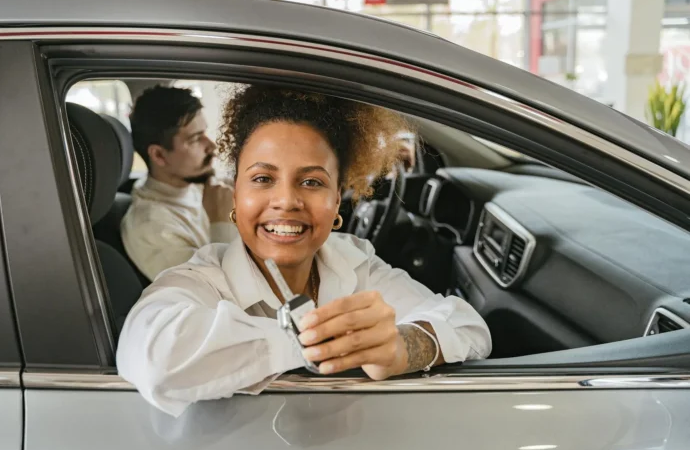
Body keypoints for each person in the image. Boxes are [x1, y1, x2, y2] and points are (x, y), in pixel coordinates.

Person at [117, 86, 491, 417]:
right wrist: (320, 346)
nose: (285, 201)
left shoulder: (352, 259)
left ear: (337, 198)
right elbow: (153, 355)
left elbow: (470, 327)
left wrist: (403, 346)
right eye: (263, 179)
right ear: (236, 194)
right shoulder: (201, 278)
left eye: (311, 182)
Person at [121, 86, 237, 281]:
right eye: (195, 139)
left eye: (205, 132)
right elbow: (215, 290)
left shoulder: (198, 183)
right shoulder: (150, 228)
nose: (211, 146)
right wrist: (222, 223)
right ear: (159, 155)